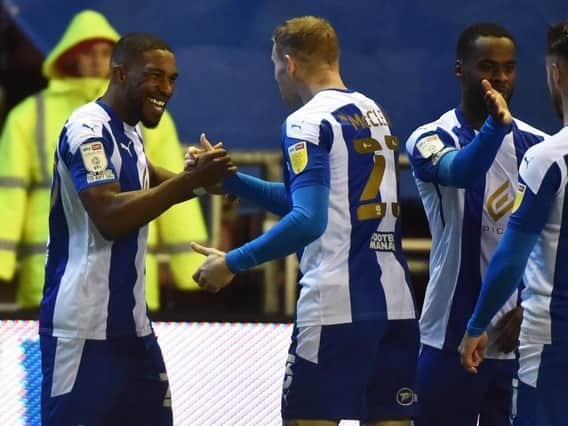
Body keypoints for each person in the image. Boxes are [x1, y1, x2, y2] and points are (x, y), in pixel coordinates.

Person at [188, 16, 419, 425]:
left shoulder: (305, 122)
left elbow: (309, 220)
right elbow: (326, 206)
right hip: (395, 307)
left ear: (289, 63)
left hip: (334, 307)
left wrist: (231, 263)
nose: (277, 76)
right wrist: (230, 181)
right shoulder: (372, 112)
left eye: (276, 66)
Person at [39, 32, 234, 425]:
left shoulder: (128, 130)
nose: (166, 89)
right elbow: (109, 216)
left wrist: (206, 181)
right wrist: (187, 183)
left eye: (173, 79)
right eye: (155, 77)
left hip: (133, 330)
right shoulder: (88, 130)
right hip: (83, 330)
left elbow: (146, 178)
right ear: (120, 74)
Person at [459, 20, 568, 425]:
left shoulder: (548, 156)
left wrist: (476, 326)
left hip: (557, 339)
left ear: (554, 73)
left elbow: (510, 257)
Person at [0, 10, 208, 312]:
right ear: (70, 57)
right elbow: (8, 192)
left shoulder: (147, 112)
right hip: (57, 274)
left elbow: (172, 184)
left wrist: (189, 264)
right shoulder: (31, 114)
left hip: (128, 275)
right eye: (87, 53)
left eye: (104, 53)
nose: (96, 60)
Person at [404, 23, 548, 425]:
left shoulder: (539, 146)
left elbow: (553, 241)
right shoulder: (429, 138)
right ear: (459, 69)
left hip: (520, 339)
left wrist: (531, 306)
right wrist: (494, 129)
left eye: (509, 67)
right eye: (487, 66)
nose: (500, 77)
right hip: (447, 335)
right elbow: (462, 172)